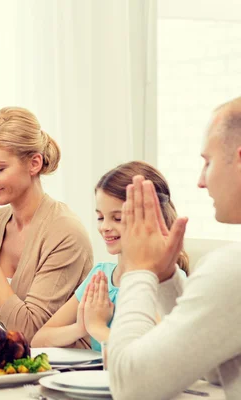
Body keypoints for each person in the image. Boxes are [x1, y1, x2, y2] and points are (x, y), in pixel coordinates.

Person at [109, 96, 241, 399]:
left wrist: (139, 270)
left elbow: (131, 386)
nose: (200, 181)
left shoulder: (234, 266)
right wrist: (167, 278)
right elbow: (211, 366)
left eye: (208, 162)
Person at [0, 106, 94, 342]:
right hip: (19, 368)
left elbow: (30, 333)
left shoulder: (65, 233)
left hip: (68, 371)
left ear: (34, 163)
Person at [31, 161, 189, 351]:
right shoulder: (101, 276)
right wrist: (80, 328)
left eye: (118, 218)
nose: (105, 226)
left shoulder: (163, 284)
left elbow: (147, 354)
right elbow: (39, 340)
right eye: (100, 217)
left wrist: (97, 327)